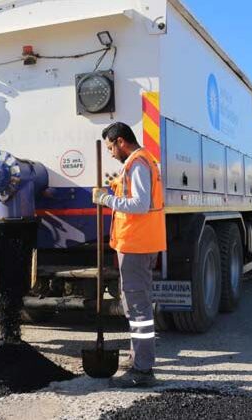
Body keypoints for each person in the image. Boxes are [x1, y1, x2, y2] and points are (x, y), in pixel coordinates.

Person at [92, 122, 166, 388]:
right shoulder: (141, 161)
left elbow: (140, 204)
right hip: (139, 243)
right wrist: (113, 188)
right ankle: (139, 358)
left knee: (138, 308)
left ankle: (143, 370)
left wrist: (105, 200)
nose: (111, 153)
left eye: (111, 147)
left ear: (121, 141)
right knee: (135, 305)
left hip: (137, 245)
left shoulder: (137, 163)